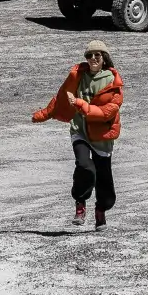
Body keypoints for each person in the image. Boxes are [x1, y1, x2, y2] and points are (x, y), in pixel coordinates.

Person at [31, 39, 123, 229]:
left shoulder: (113, 82)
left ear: (104, 58)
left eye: (97, 55)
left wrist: (80, 104)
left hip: (102, 135)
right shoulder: (78, 75)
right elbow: (62, 97)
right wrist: (43, 115)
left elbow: (106, 112)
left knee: (104, 179)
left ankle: (100, 211)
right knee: (84, 165)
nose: (92, 58)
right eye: (89, 55)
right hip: (79, 129)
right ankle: (80, 204)